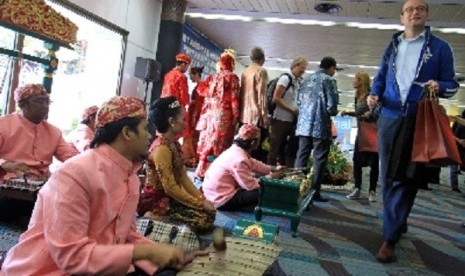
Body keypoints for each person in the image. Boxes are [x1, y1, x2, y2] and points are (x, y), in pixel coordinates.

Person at [2, 96, 203, 275]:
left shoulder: (131, 176)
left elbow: (125, 235)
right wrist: (147, 252)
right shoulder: (74, 174)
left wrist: (165, 255)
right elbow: (72, 257)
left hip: (101, 262)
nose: (149, 136)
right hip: (51, 269)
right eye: (144, 129)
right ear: (127, 133)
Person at [367, 0, 459, 263]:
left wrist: (439, 86)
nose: (415, 12)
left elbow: (452, 85)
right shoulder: (393, 46)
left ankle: (390, 238)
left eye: (420, 8)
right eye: (409, 9)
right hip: (389, 116)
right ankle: (395, 221)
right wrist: (375, 94)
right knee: (386, 173)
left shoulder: (440, 48)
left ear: (426, 15)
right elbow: (381, 77)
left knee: (406, 176)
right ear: (401, 17)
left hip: (417, 119)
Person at [138, 96, 216, 233]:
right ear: (172, 121)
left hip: (170, 196)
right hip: (156, 200)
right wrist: (199, 203)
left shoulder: (173, 144)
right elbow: (170, 188)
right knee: (203, 220)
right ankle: (152, 217)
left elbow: (182, 177)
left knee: (209, 214)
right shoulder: (162, 149)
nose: (186, 123)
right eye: (183, 119)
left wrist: (202, 199)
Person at [0, 84, 78, 182]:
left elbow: (71, 158)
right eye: (40, 102)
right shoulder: (3, 125)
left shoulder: (53, 132)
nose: (45, 106)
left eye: (47, 102)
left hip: (42, 187)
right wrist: (5, 164)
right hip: (6, 186)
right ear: (22, 105)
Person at [202, 124, 282, 211]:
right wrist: (268, 178)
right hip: (221, 200)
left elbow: (253, 163)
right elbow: (250, 186)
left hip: (212, 194)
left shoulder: (236, 150)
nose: (259, 143)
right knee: (265, 190)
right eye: (259, 140)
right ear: (253, 142)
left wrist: (271, 169)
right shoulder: (240, 159)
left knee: (257, 178)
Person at [294, 57, 339, 203]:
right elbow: (331, 107)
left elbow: (298, 102)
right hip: (320, 126)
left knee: (301, 156)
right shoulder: (329, 80)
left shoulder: (305, 79)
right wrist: (332, 111)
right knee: (319, 159)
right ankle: (314, 192)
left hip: (303, 126)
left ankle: (296, 189)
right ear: (331, 67)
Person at [195, 49, 240, 180]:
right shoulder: (232, 77)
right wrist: (236, 116)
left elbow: (201, 90)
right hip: (224, 116)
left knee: (209, 142)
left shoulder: (213, 77)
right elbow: (234, 98)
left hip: (210, 115)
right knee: (221, 144)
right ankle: (216, 173)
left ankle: (202, 171)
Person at [342, 71, 379, 202]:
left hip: (373, 133)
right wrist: (349, 113)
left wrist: (370, 114)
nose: (353, 81)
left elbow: (377, 112)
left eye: (355, 79)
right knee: (356, 160)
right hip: (361, 131)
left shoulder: (371, 95)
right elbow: (359, 113)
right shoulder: (357, 96)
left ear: (361, 81)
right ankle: (357, 188)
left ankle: (372, 190)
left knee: (374, 162)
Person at [267, 57, 307, 167]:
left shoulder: (297, 82)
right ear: (294, 66)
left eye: (305, 68)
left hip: (290, 120)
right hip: (279, 119)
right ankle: (270, 173)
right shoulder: (285, 79)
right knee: (274, 149)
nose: (303, 70)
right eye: (301, 67)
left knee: (285, 150)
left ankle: (281, 173)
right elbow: (276, 98)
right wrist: (292, 109)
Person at [239, 46, 269, 163]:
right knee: (256, 151)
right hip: (256, 116)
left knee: (244, 148)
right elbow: (262, 96)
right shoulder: (261, 71)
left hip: (244, 116)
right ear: (262, 58)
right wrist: (265, 118)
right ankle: (254, 177)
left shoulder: (245, 72)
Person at [182, 66, 210, 167]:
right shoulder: (200, 86)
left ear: (196, 74)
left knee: (192, 137)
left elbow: (201, 104)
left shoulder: (201, 86)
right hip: (194, 114)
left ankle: (191, 159)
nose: (190, 78)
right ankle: (190, 158)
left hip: (196, 116)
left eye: (191, 75)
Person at [449, 110, 465, 193]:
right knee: (454, 167)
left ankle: (454, 186)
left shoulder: (458, 121)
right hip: (456, 146)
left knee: (454, 167)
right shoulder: (458, 122)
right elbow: (451, 133)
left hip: (457, 146)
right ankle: (454, 186)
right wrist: (459, 141)